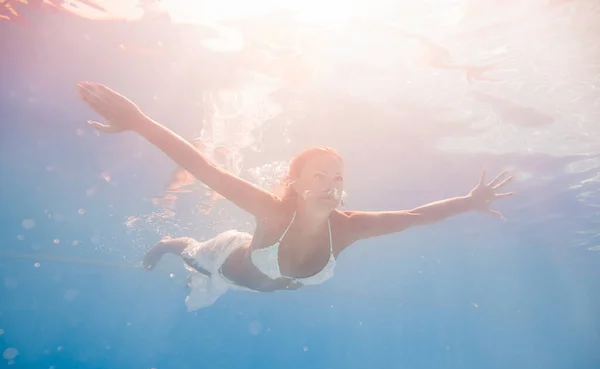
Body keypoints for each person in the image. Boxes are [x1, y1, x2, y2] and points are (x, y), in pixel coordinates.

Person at [77, 81, 516, 310]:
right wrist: (139, 121)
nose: (332, 183)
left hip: (260, 287)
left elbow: (417, 215)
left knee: (211, 292)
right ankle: (168, 243)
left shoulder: (349, 228)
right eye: (320, 174)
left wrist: (470, 201)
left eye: (338, 176)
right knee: (192, 255)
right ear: (296, 184)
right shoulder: (270, 211)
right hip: (224, 259)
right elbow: (205, 168)